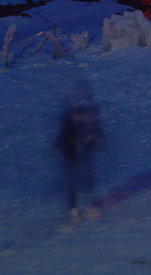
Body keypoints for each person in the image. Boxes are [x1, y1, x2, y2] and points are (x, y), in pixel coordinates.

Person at [56, 87, 104, 221]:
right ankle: (74, 210)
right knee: (73, 184)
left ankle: (89, 206)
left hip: (84, 158)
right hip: (71, 159)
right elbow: (60, 142)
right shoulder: (67, 127)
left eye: (80, 114)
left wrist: (93, 140)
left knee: (89, 182)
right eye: (76, 115)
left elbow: (97, 136)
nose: (79, 117)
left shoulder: (84, 125)